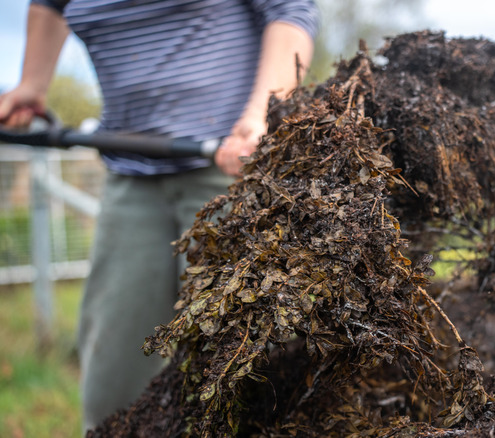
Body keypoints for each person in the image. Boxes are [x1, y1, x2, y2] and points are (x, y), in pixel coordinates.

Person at [0, 0, 319, 433]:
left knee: (253, 369)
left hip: (230, 169)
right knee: (115, 381)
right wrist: (32, 83)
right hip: (129, 172)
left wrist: (264, 112)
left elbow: (290, 8)